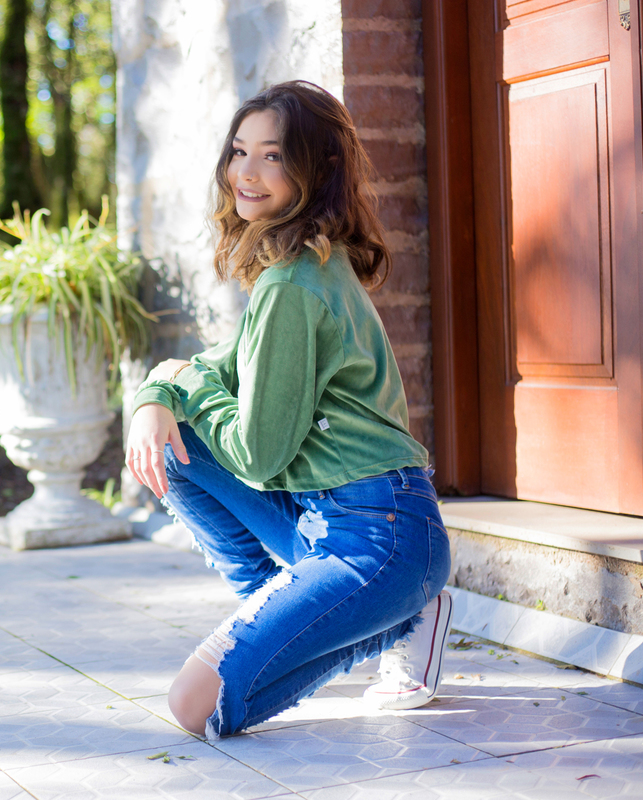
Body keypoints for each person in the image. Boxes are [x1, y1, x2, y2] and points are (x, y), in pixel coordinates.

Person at [125, 81, 453, 740]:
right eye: (240, 151)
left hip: (376, 537)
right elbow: (212, 368)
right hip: (327, 522)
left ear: (317, 169)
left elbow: (258, 454)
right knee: (175, 436)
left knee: (195, 707)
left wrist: (180, 385)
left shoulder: (293, 286)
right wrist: (158, 392)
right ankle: (300, 611)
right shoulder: (305, 267)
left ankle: (401, 617)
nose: (246, 172)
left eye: (272, 156)